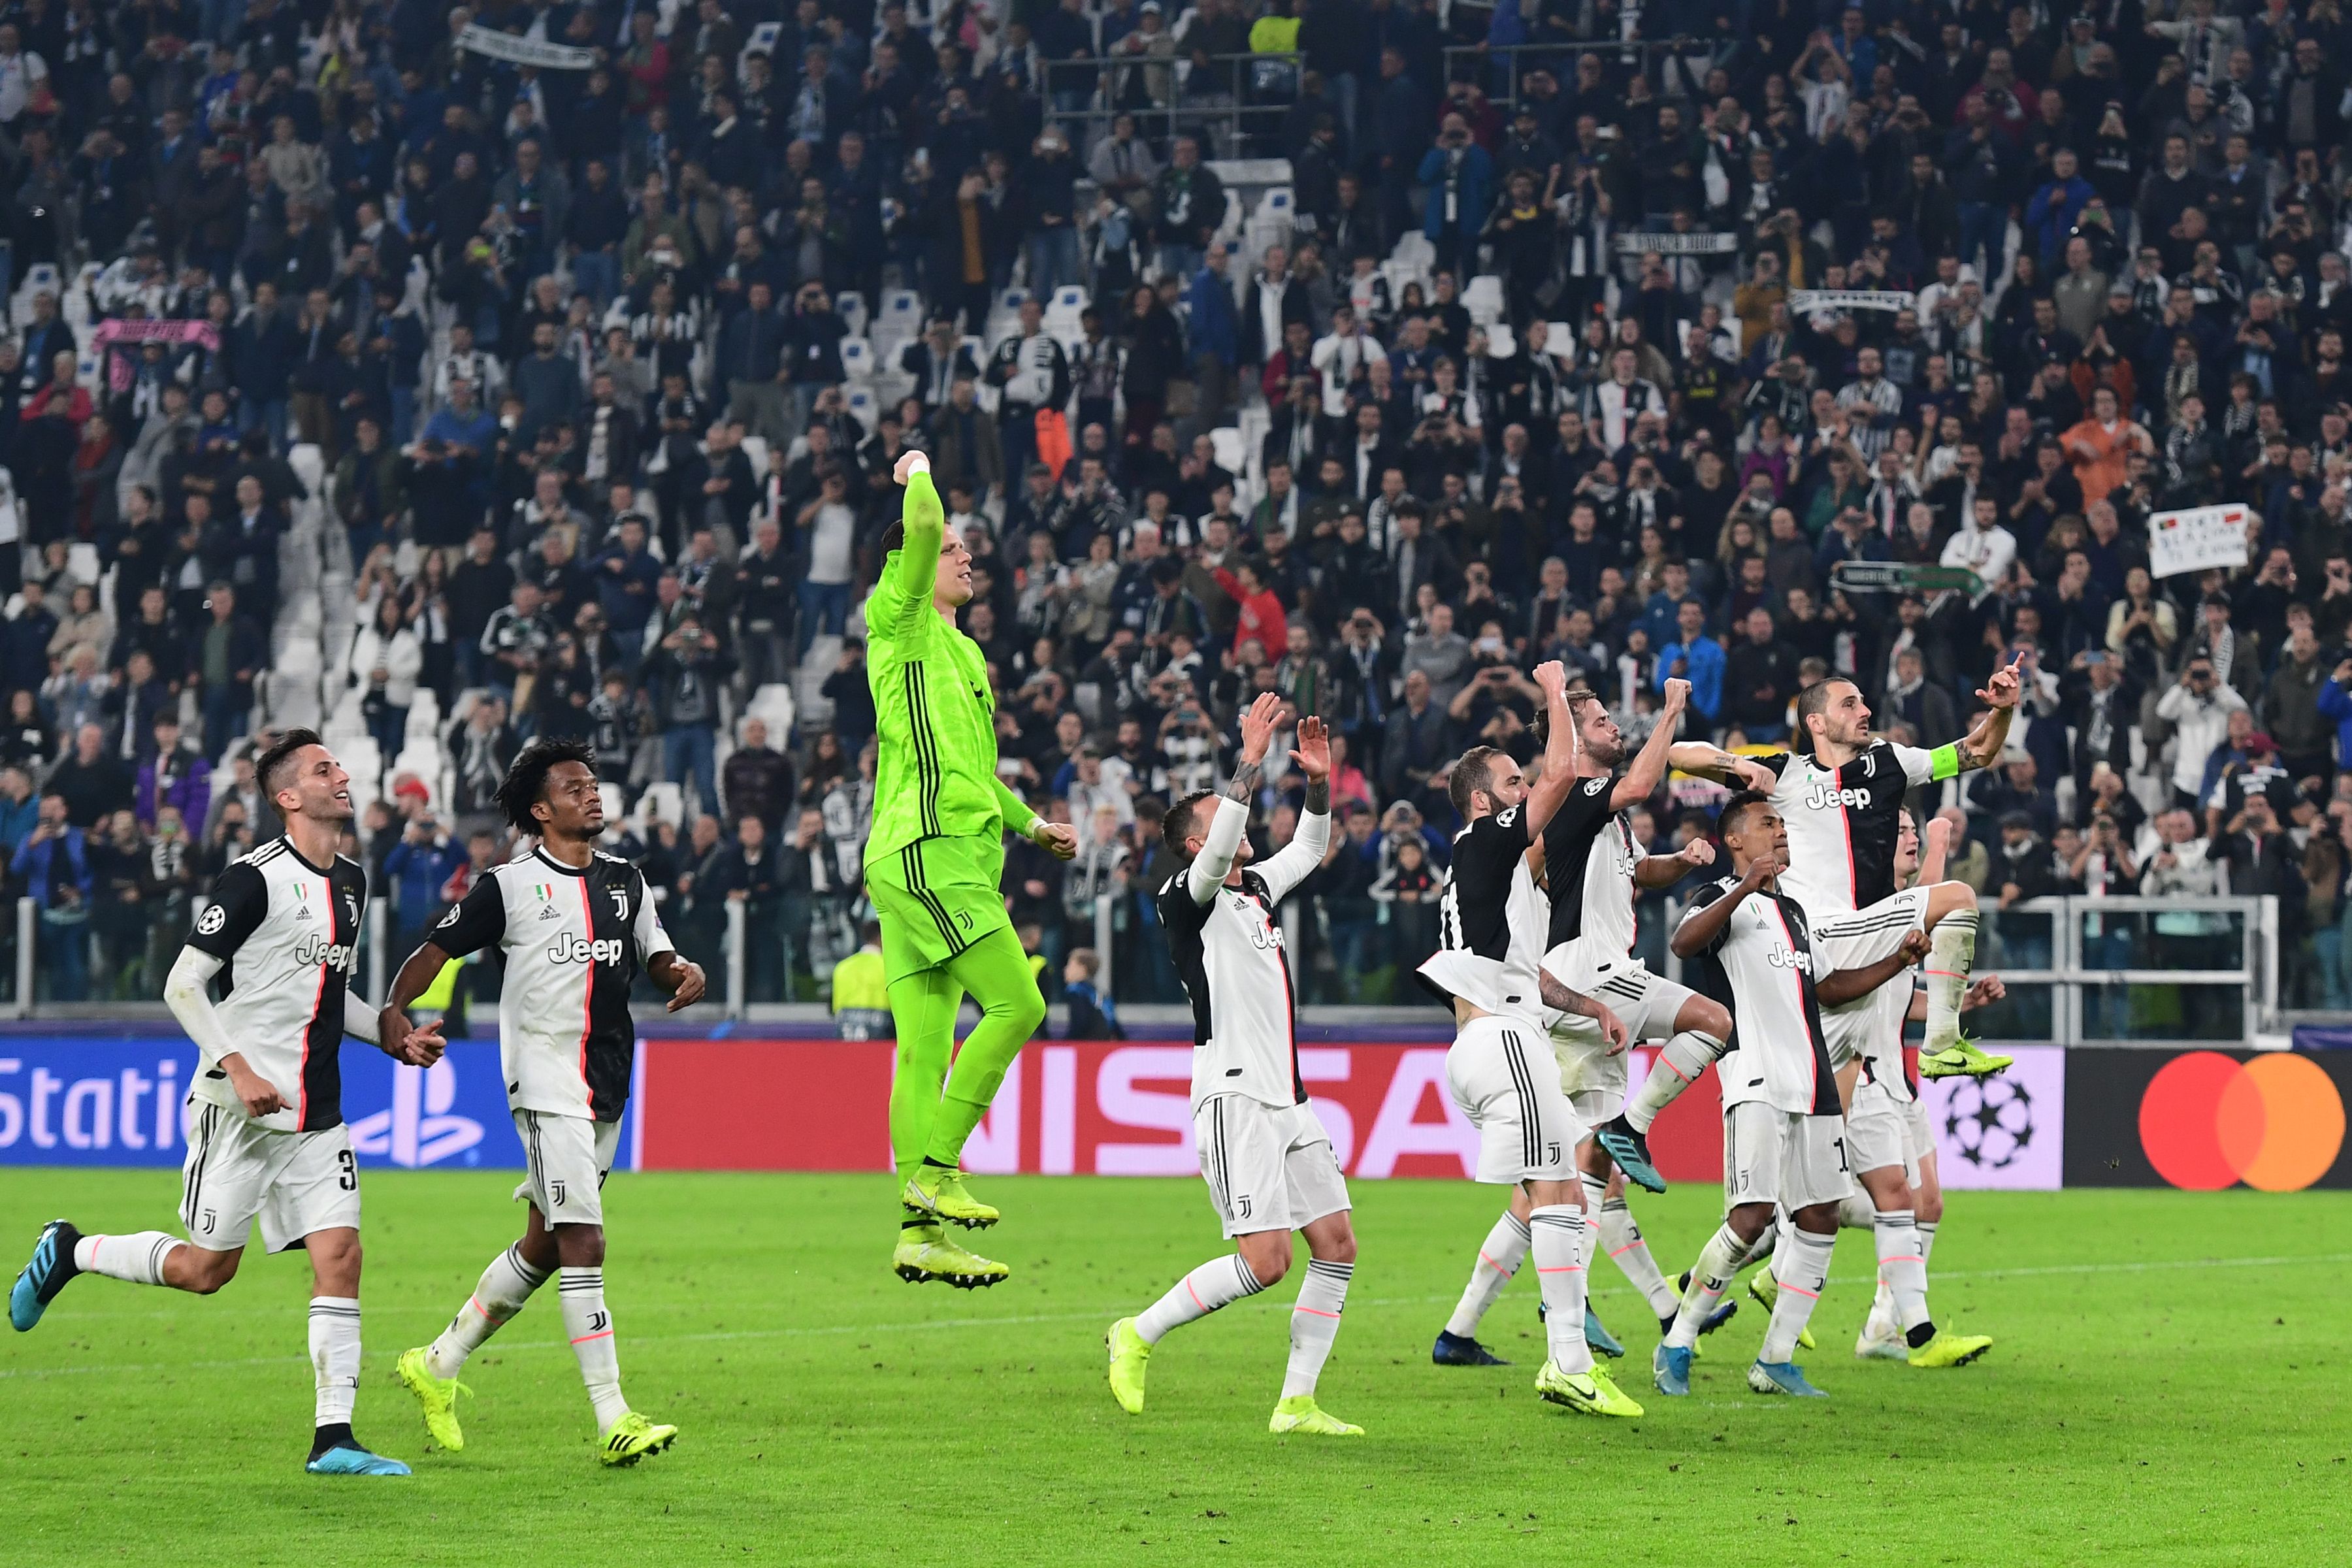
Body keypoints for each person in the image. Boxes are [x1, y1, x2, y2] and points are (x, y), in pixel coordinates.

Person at [8, 730, 429, 1477]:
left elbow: (328, 995)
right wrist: (236, 1068)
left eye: (339, 764)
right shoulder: (254, 880)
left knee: (342, 1254)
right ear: (287, 797)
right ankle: (71, 1250)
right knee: (206, 1270)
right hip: (240, 1110)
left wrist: (387, 1034)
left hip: (316, 1112)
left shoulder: (355, 882)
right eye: (323, 769)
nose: (342, 776)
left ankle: (334, 1438)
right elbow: (182, 984)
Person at [379, 739, 706, 1469]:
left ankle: (436, 1363)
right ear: (541, 810)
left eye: (593, 784)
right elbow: (437, 948)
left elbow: (654, 953)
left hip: (608, 1080)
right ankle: (613, 1415)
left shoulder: (626, 882)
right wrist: (395, 1011)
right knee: (585, 1240)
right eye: (574, 788)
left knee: (546, 1244)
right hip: (544, 1078)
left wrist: (682, 972)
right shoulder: (509, 886)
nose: (592, 795)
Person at [1432, 676, 1721, 1365]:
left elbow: (1629, 870)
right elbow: (1589, 778)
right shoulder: (1552, 808)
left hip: (1547, 1005)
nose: (1614, 727)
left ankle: (1464, 1330)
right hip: (1566, 984)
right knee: (1711, 1021)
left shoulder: (1572, 827)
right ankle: (1571, 1346)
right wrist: (1663, 713)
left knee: (1566, 1180)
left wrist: (1676, 864)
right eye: (1600, 721)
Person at [1106, 700, 1360, 1436]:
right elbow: (1219, 854)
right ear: (1194, 841)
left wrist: (1318, 783)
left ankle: (1297, 1403)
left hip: (1290, 1100)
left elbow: (1310, 850)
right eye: (1223, 816)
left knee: (1337, 1245)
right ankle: (1137, 1333)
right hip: (1234, 1097)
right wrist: (1247, 760)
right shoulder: (1186, 898)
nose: (1241, 822)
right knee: (1267, 1261)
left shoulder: (1255, 890)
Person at [864, 450, 1077, 1289]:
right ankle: (939, 1168)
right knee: (1020, 999)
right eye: (956, 549)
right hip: (928, 852)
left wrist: (1029, 824)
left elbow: (973, 763)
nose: (966, 558)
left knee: (920, 1051)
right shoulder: (900, 616)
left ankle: (919, 1234)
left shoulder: (964, 655)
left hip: (948, 852)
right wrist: (917, 466)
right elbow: (919, 523)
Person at [1417, 664, 1644, 1418]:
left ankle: (1557, 1349)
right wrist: (1554, 695)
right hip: (1505, 1040)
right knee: (1559, 1189)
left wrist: (1590, 1006)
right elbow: (1557, 780)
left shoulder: (1493, 871)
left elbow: (1531, 974)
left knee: (1569, 1182)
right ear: (1485, 800)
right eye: (1511, 783)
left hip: (1494, 1037)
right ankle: (1568, 1361)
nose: (1526, 791)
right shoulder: (1484, 838)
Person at [1657, 789, 1889, 1399]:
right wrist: (1745, 886)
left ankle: (1776, 1359)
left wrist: (1900, 961)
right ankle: (1678, 1340)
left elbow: (1830, 991)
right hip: (1755, 1075)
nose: (1780, 831)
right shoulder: (1718, 900)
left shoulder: (1797, 913)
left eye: (1783, 823)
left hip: (1813, 1079)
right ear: (1735, 840)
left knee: (1820, 1216)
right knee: (1751, 1218)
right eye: (1768, 823)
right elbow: (1683, 945)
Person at [1827, 807, 2002, 1367]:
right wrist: (1938, 845)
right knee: (1843, 1204)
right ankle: (1755, 1271)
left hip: (1897, 1078)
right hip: (1863, 1071)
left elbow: (1900, 999)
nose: (1907, 837)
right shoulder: (1866, 899)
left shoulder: (1901, 904)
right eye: (1899, 829)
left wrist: (1962, 1002)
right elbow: (1925, 908)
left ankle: (1885, 1324)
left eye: (1911, 829)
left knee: (1927, 1203)